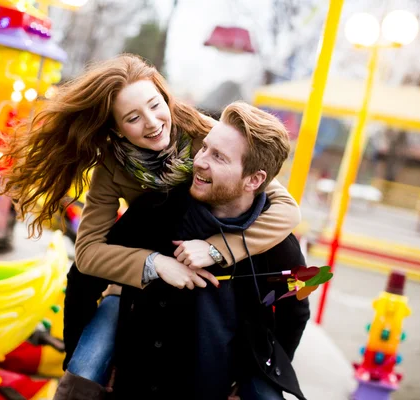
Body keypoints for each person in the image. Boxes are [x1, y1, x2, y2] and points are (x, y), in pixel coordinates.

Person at [0, 55, 301, 394]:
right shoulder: (114, 168)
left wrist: (218, 248)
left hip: (205, 269)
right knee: (86, 365)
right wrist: (154, 264)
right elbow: (88, 254)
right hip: (139, 273)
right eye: (133, 118)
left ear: (165, 96)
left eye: (155, 105)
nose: (153, 123)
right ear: (116, 127)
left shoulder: (204, 134)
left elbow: (283, 207)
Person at [67, 102, 309, 400]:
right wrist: (91, 356)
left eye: (218, 157)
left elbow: (296, 307)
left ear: (255, 180)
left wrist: (264, 372)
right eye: (204, 148)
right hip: (134, 386)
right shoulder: (158, 209)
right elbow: (83, 275)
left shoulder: (278, 244)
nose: (199, 161)